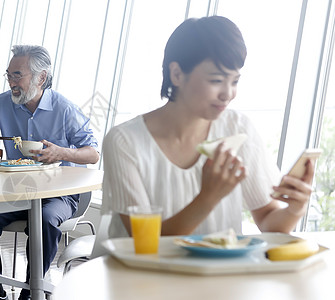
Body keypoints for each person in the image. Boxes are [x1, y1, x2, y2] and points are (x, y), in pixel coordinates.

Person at [101, 16, 315, 239]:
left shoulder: (238, 129)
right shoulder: (124, 141)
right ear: (176, 74)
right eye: (216, 80)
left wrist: (295, 208)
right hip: (139, 273)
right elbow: (145, 242)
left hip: (218, 273)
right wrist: (208, 197)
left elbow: (270, 223)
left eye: (234, 81)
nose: (228, 94)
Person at [0, 45, 99, 300]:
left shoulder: (64, 108)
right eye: (9, 75)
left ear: (40, 77)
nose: (11, 82)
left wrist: (62, 153)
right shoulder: (1, 104)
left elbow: (93, 153)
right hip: (18, 190)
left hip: (60, 194)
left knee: (44, 219)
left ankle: (33, 288)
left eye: (17, 75)